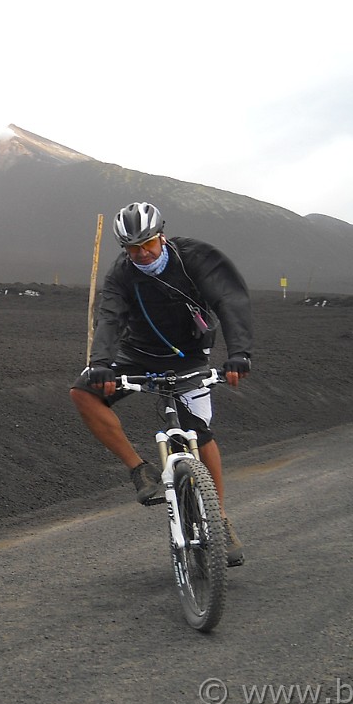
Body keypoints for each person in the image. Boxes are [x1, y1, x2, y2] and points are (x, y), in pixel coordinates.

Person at [70, 201, 253, 566]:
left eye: (148, 244)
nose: (142, 254)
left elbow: (229, 299)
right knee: (83, 393)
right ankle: (140, 470)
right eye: (133, 248)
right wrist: (100, 364)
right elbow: (109, 316)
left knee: (197, 434)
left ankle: (219, 518)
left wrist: (239, 353)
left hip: (190, 357)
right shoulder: (122, 273)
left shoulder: (196, 258)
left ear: (161, 236)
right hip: (137, 354)